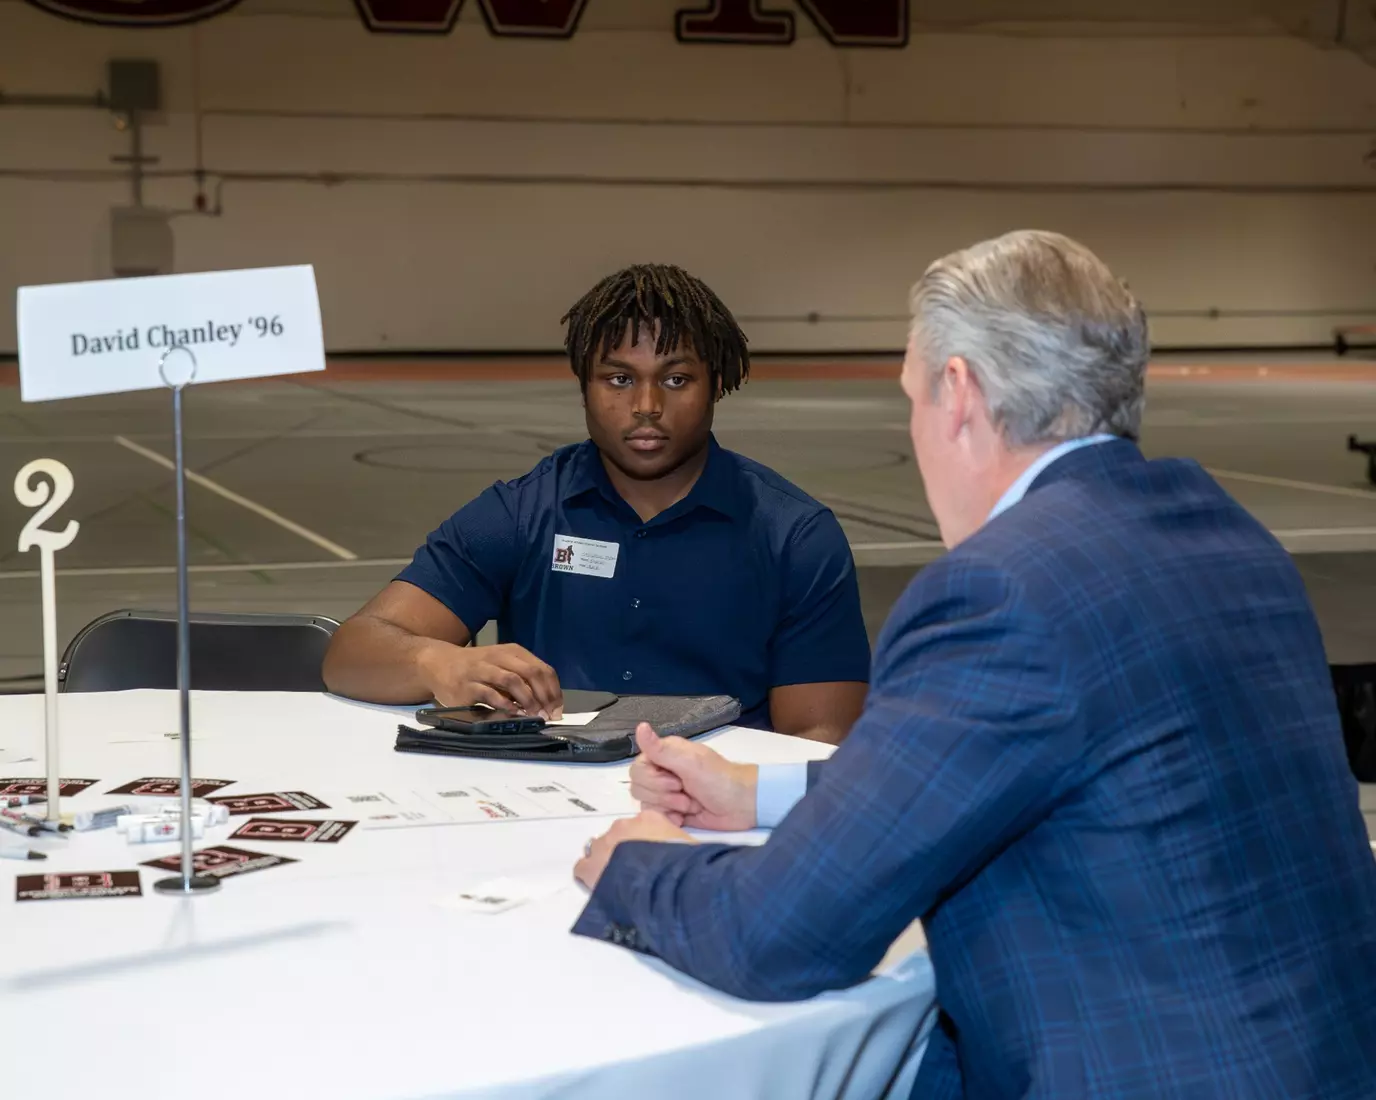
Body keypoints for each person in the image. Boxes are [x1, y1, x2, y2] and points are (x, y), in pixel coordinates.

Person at [571, 232, 1376, 1098]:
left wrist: (640, 864)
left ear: (957, 393)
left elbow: (780, 937)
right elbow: (1033, 762)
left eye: (912, 398)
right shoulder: (1228, 536)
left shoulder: (1000, 589)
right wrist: (758, 792)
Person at [322, 263, 870, 743]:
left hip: (715, 803)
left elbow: (819, 741)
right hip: (547, 796)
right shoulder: (521, 513)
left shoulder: (794, 537)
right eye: (619, 379)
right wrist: (437, 661)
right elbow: (351, 652)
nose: (647, 405)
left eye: (677, 379)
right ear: (584, 384)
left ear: (716, 384)